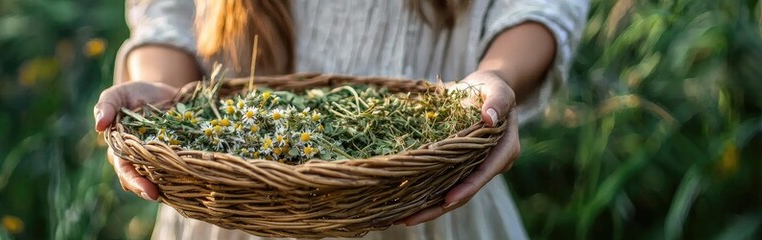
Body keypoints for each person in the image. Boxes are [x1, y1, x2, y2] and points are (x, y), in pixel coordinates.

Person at [94, 0, 587, 239]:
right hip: (232, 200)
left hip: (426, 198)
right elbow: (168, 18)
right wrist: (167, 101)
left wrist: (496, 77)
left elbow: (541, 6)